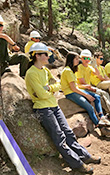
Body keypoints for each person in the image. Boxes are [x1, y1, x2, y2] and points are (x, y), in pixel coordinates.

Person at [25, 42, 100, 174]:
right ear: (37, 55)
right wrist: (49, 90)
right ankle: (77, 165)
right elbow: (41, 95)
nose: (48, 57)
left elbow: (57, 85)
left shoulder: (46, 70)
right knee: (59, 138)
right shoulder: (31, 73)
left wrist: (49, 88)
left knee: (68, 133)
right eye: (46, 55)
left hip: (54, 105)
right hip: (43, 109)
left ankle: (85, 156)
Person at [61, 51, 110, 137]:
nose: (78, 60)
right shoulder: (68, 71)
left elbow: (95, 74)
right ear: (71, 60)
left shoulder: (72, 70)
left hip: (76, 90)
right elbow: (73, 88)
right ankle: (102, 129)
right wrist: (87, 95)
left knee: (97, 97)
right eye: (76, 59)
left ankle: (101, 117)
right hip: (70, 93)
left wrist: (94, 64)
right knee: (90, 107)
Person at [76, 49, 110, 121]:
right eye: (85, 58)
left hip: (89, 87)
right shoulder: (79, 68)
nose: (87, 60)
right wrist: (91, 88)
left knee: (105, 94)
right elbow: (82, 82)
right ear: (81, 58)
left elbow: (97, 73)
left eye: (89, 58)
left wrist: (94, 65)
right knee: (102, 96)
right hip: (84, 88)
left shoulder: (90, 67)